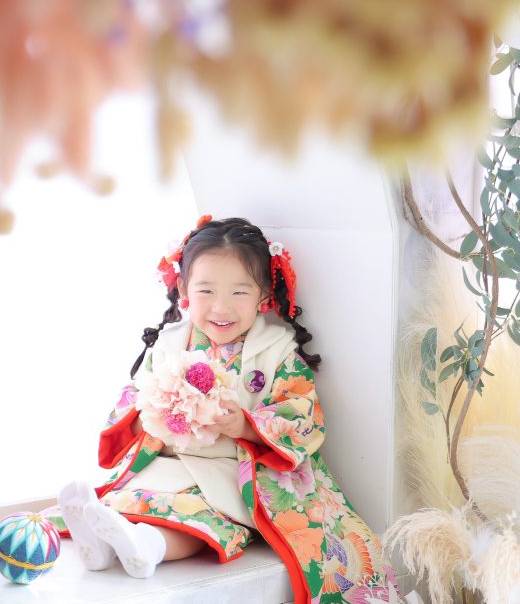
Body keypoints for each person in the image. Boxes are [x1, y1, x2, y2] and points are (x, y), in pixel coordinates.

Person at [52, 215, 398, 604]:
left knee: (196, 519)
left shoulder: (277, 350)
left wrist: (244, 426)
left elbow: (300, 413)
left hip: (231, 473)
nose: (221, 307)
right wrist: (152, 409)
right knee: (132, 502)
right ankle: (102, 546)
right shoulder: (169, 345)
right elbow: (134, 398)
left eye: (238, 292)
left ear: (264, 294)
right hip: (171, 462)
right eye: (206, 291)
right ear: (183, 289)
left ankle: (147, 547)